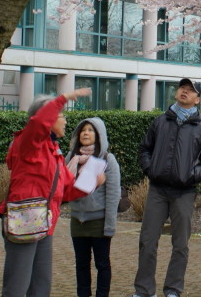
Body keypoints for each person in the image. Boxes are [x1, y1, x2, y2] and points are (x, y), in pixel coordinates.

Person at [0, 88, 104, 297]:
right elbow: (37, 124)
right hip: (25, 220)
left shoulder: (53, 151)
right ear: (48, 119)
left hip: (44, 222)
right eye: (61, 116)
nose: (65, 122)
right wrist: (63, 98)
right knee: (17, 285)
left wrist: (93, 182)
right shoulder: (29, 143)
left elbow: (65, 192)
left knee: (41, 285)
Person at [134, 78, 201, 297]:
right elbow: (145, 148)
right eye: (182, 88)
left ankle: (173, 290)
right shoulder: (160, 121)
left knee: (180, 244)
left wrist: (192, 176)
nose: (184, 92)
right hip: (157, 190)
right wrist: (150, 169)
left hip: (184, 192)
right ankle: (143, 290)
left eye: (190, 91)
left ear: (197, 99)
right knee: (147, 241)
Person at [65, 117, 122, 297]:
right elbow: (63, 187)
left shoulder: (107, 159)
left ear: (99, 135)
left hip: (99, 222)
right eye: (83, 130)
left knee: (102, 264)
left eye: (90, 130)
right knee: (81, 264)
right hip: (77, 220)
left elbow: (113, 194)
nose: (86, 133)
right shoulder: (71, 158)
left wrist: (110, 225)